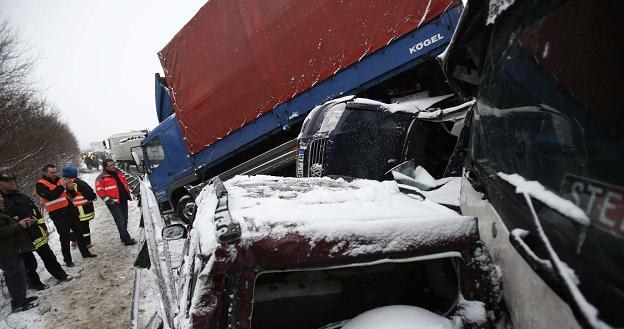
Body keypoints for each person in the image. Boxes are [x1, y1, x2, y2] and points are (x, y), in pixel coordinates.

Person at [0, 172, 73, 289]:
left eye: (12, 180)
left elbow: (36, 212)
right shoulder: (1, 201)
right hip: (19, 238)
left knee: (49, 256)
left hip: (35, 233)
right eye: (7, 181)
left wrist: (43, 226)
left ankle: (61, 275)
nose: (12, 183)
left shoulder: (22, 196)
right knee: (29, 263)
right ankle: (35, 284)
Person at [35, 164, 97, 267]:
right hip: (58, 215)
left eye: (56, 172)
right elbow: (50, 196)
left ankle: (85, 253)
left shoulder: (61, 180)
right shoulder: (40, 185)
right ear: (45, 173)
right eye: (52, 172)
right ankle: (67, 260)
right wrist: (62, 186)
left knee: (79, 233)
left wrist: (71, 189)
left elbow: (71, 196)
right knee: (64, 237)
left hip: (70, 211)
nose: (55, 174)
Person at [0, 193, 38, 312]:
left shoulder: (2, 212)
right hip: (6, 253)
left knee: (19, 275)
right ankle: (17, 304)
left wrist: (21, 223)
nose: (1, 198)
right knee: (14, 277)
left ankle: (21, 299)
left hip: (12, 249)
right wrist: (19, 226)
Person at [95, 159, 136, 245]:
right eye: (110, 165)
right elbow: (100, 191)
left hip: (123, 199)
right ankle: (126, 240)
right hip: (113, 203)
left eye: (113, 164)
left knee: (125, 219)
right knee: (120, 220)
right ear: (105, 167)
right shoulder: (101, 177)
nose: (112, 166)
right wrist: (108, 201)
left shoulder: (119, 173)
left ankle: (123, 236)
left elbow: (124, 184)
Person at [62, 166, 96, 248]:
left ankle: (73, 240)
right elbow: (90, 194)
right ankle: (87, 243)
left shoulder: (62, 183)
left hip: (69, 209)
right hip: (82, 209)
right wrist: (93, 197)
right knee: (84, 226)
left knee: (73, 226)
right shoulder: (79, 182)